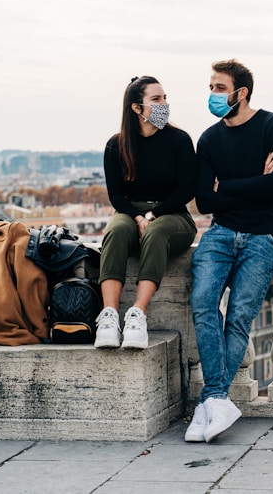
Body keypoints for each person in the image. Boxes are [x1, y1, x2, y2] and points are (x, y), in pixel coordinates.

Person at [186, 59, 273, 442]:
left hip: (265, 236)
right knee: (202, 301)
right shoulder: (209, 139)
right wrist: (252, 183)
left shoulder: (272, 125)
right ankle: (216, 400)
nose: (212, 94)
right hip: (222, 232)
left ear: (240, 92)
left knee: (240, 317)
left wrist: (226, 187)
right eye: (211, 87)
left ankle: (210, 400)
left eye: (218, 87)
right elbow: (203, 201)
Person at [96, 76, 197, 349]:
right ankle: (108, 317)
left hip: (173, 214)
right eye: (156, 99)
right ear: (136, 108)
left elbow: (187, 189)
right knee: (115, 231)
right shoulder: (116, 145)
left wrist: (154, 215)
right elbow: (116, 195)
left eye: (165, 98)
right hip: (130, 212)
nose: (164, 104)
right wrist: (138, 216)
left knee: (158, 231)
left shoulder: (179, 140)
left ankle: (138, 314)